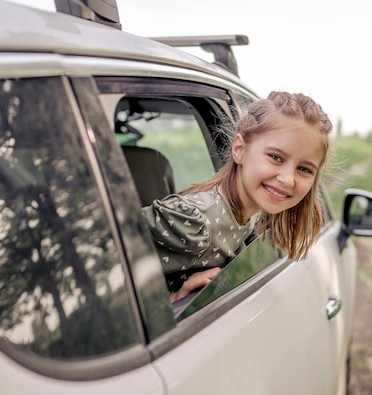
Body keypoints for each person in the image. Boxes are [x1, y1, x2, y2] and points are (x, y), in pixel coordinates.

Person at [142, 91, 333, 302]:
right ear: (239, 149)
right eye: (276, 157)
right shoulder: (195, 222)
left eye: (304, 169)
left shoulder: (252, 217)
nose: (288, 180)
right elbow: (103, 262)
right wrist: (173, 298)